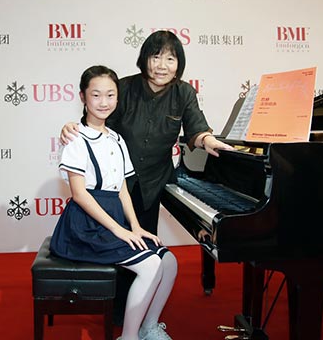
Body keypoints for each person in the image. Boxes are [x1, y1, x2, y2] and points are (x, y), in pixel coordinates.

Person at [60, 30, 233, 324]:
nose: (162, 65)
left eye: (170, 58)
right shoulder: (124, 87)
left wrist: (209, 140)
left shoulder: (184, 93)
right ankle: (116, 315)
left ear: (179, 63)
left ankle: (135, 315)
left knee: (140, 246)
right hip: (117, 186)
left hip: (153, 182)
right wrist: (70, 126)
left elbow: (196, 129)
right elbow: (97, 121)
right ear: (145, 59)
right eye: (156, 56)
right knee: (117, 250)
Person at [50, 65, 177, 340]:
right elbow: (79, 194)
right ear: (83, 97)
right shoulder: (75, 138)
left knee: (169, 262)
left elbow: (121, 188)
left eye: (110, 95)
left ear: (117, 99)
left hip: (112, 219)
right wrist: (120, 230)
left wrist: (135, 226)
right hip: (84, 226)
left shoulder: (117, 139)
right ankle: (128, 337)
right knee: (150, 265)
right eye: (96, 95)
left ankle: (149, 327)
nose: (104, 102)